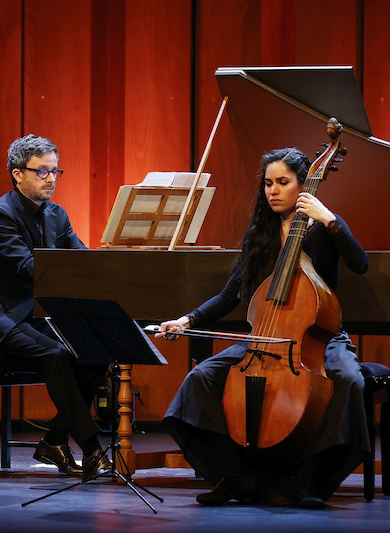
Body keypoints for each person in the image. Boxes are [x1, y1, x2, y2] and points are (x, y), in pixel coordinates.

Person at [157, 147, 370, 508]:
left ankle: (309, 480)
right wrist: (187, 320)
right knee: (201, 378)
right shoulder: (262, 234)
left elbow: (360, 263)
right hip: (265, 337)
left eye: (283, 182)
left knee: (349, 380)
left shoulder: (324, 228)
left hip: (319, 339)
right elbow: (230, 295)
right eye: (268, 183)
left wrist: (329, 219)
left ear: (303, 184)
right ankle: (233, 474)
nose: (273, 190)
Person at [0, 134, 112, 479]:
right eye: (42, 172)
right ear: (17, 174)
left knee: (96, 353)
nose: (51, 179)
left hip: (37, 316)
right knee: (56, 355)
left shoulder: (57, 214)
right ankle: (92, 450)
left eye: (55, 172)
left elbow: (80, 258)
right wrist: (76, 273)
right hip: (2, 317)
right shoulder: (0, 214)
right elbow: (28, 268)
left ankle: (54, 441)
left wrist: (107, 265)